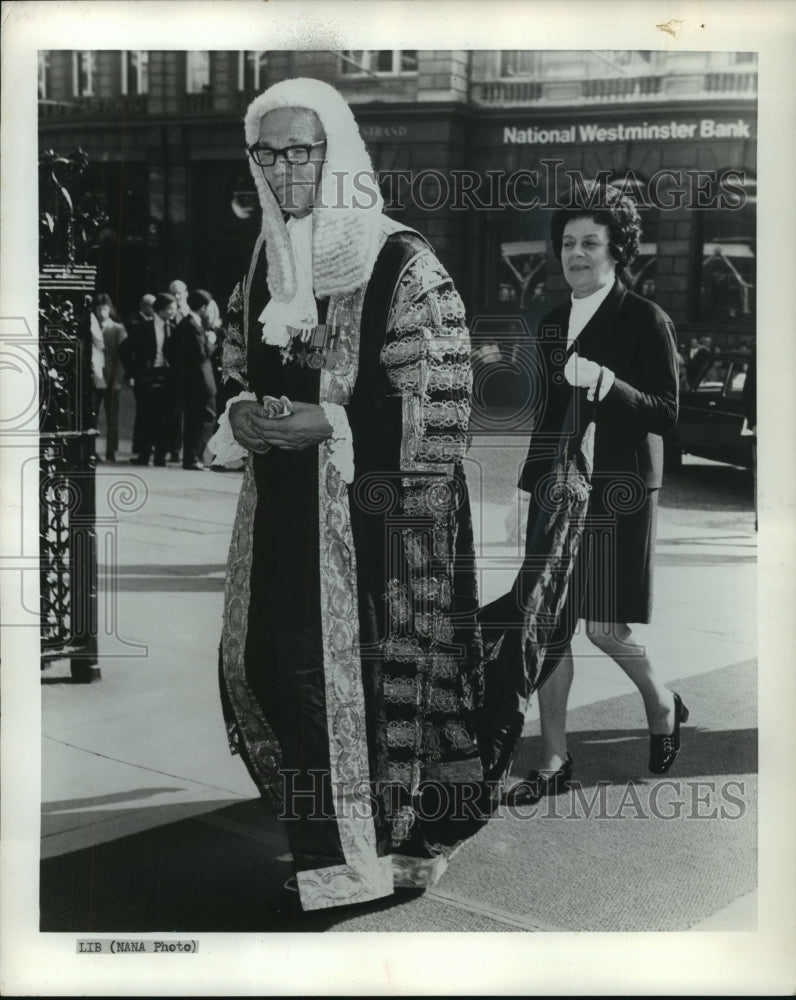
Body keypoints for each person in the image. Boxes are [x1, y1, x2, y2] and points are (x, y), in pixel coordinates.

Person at [210, 78, 486, 914]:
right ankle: (332, 847)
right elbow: (234, 356)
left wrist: (326, 421)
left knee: (370, 680)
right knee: (273, 665)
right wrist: (240, 412)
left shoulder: (399, 256)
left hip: (382, 516)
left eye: (303, 149)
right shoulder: (268, 258)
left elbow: (442, 390)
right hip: (285, 511)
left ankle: (389, 852)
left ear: (337, 155)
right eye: (270, 152)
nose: (286, 167)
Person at [503, 181, 686, 806]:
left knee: (607, 629)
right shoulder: (553, 323)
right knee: (551, 624)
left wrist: (608, 382)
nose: (575, 254)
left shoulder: (645, 319)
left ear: (617, 251)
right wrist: (523, 490)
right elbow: (547, 416)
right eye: (567, 243)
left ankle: (661, 702)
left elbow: (665, 412)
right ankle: (554, 757)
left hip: (620, 491)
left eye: (590, 243)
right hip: (558, 490)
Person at [118, 292, 177, 467]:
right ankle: (144, 454)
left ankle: (160, 456)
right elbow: (124, 350)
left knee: (164, 417)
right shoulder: (143, 327)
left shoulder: (173, 328)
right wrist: (133, 372)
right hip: (146, 376)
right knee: (146, 416)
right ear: (161, 309)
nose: (173, 312)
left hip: (166, 376)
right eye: (171, 309)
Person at [171, 288, 217, 470]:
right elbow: (201, 353)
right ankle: (192, 458)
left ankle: (193, 458)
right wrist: (211, 341)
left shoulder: (189, 323)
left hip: (196, 381)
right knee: (204, 418)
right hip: (199, 382)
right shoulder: (190, 325)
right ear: (203, 307)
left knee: (198, 419)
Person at [94, 293, 128, 462]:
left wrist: (118, 377)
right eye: (99, 308)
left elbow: (123, 356)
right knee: (93, 417)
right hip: (95, 378)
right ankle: (91, 450)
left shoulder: (118, 329)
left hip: (112, 378)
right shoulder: (90, 327)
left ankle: (111, 451)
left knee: (112, 418)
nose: (101, 312)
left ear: (110, 309)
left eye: (105, 308)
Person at [127, 293, 156, 462]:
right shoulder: (134, 321)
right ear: (144, 306)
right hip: (141, 372)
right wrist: (131, 372)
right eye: (150, 306)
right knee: (142, 412)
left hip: (149, 373)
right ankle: (139, 446)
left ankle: (143, 446)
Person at [167, 279, 189, 461]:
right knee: (174, 412)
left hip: (190, 369)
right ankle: (174, 449)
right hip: (175, 368)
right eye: (174, 293)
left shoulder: (191, 312)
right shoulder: (170, 315)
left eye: (180, 292)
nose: (177, 296)